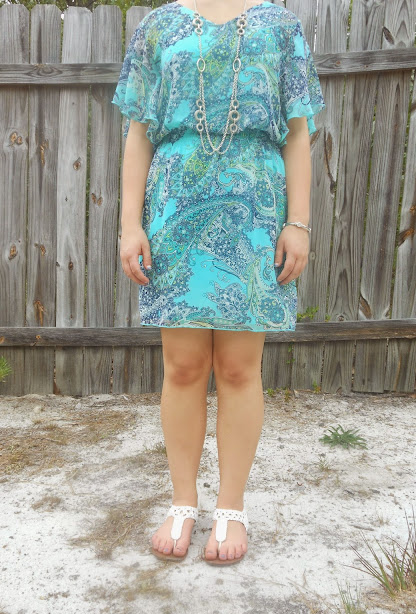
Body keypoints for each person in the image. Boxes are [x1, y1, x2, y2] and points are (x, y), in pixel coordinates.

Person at [111, 0, 325, 566]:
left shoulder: (280, 27)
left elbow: (298, 134)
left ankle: (231, 508)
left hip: (253, 214)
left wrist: (297, 223)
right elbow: (138, 134)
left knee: (238, 368)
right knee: (182, 367)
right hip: (176, 212)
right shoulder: (158, 26)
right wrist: (130, 223)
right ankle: (183, 501)